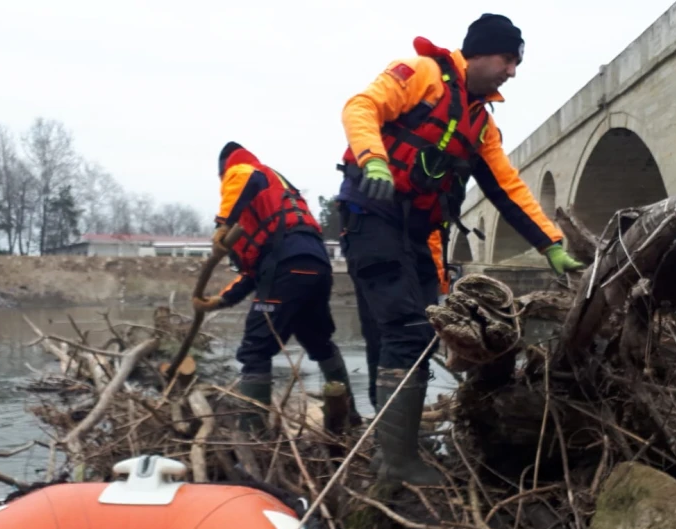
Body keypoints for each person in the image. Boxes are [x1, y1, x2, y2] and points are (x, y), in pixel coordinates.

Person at [335, 13, 585, 485]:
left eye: (517, 62)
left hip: (418, 234)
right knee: (404, 332)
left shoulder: (481, 124)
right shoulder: (421, 74)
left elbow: (508, 189)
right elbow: (360, 107)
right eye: (508, 59)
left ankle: (395, 448)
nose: (513, 71)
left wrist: (551, 244)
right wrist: (375, 160)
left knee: (419, 333)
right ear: (481, 51)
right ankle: (397, 464)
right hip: (373, 217)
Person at [194, 142, 361, 433]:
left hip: (287, 265)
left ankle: (254, 435)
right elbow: (254, 272)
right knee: (319, 342)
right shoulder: (276, 195)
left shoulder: (245, 170)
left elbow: (247, 179)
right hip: (315, 265)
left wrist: (223, 222)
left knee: (255, 351)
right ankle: (348, 418)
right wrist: (219, 301)